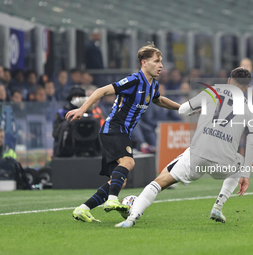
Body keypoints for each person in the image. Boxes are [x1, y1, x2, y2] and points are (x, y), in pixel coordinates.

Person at [115, 67, 253, 228]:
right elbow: (252, 142)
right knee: (240, 161)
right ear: (247, 88)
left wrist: (198, 109)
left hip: (197, 155)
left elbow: (183, 110)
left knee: (160, 180)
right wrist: (246, 173)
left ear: (229, 81)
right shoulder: (251, 110)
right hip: (223, 161)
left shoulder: (213, 91)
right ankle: (218, 206)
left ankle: (132, 218)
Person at [66, 43, 181, 222]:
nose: (161, 65)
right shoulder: (134, 80)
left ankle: (83, 209)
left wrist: (181, 108)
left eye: (161, 62)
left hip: (121, 132)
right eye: (156, 61)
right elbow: (101, 91)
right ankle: (112, 200)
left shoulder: (153, 85)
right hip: (114, 127)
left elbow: (159, 100)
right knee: (128, 162)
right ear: (144, 62)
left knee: (119, 181)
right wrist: (82, 109)